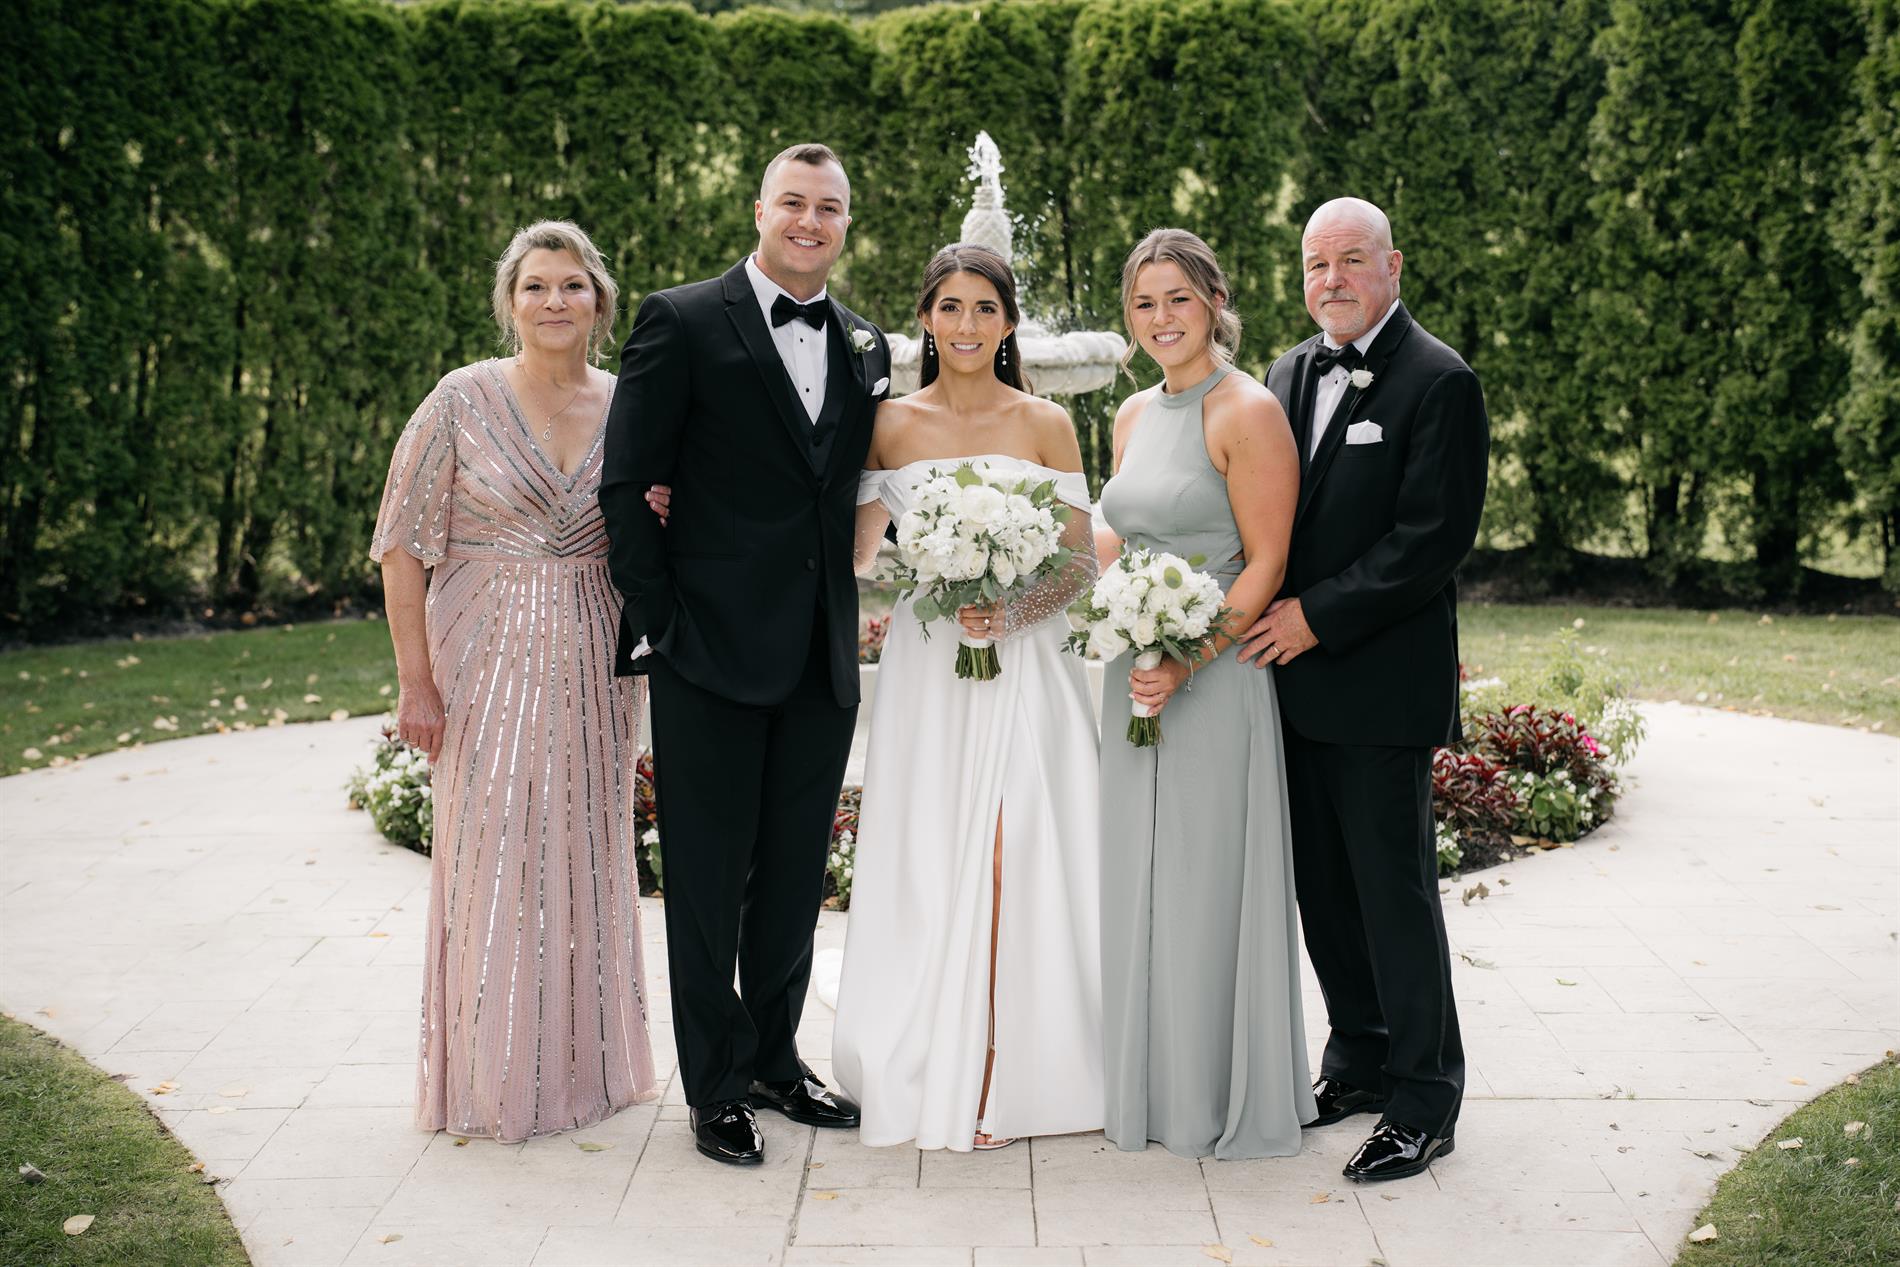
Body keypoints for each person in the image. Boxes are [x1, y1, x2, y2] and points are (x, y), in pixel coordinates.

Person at [599, 143, 891, 1167]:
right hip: (708, 650)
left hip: (819, 656)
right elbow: (626, 482)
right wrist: (664, 623)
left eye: (830, 207)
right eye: (793, 203)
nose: (811, 221)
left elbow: (853, 485)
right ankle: (715, 1086)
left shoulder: (866, 342)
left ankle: (775, 1059)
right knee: (707, 881)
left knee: (794, 877)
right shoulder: (680, 319)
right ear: (759, 210)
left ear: (846, 223)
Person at [371, 220, 658, 1143]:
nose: (554, 301)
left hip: (596, 656)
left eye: (572, 285)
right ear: (510, 303)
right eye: (535, 286)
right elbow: (401, 547)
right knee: (490, 857)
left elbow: (665, 520)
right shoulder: (460, 399)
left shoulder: (633, 405)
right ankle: (491, 1076)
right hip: (481, 658)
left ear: (599, 302)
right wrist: (416, 682)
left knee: (587, 848)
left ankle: (587, 1068)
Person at [831, 244, 1103, 1152]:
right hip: (930, 669)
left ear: (1010, 322)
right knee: (933, 849)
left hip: (1028, 663)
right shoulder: (889, 424)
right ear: (926, 317)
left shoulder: (1046, 422)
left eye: (985, 308)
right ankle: (936, 1052)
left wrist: (1011, 611)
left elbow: (1078, 562)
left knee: (1014, 851)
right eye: (949, 306)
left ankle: (1009, 1070)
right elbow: (856, 549)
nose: (967, 324)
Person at [1240, 197, 1489, 1182]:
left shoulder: (1439, 380)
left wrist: (1316, 614)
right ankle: (1359, 1058)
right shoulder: (1285, 373)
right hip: (1287, 687)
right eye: (1316, 263)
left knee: (1393, 895)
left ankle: (1426, 1098)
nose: (1331, 279)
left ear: (1393, 265)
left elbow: (1431, 539)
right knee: (1325, 892)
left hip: (1378, 686)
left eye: (1351, 259)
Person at [1095, 228, 1315, 1160]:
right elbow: (1115, 536)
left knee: (1202, 880)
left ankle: (1210, 1094)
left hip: (1215, 678)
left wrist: (1187, 658)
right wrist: (1117, 612)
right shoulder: (1131, 413)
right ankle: (1147, 1088)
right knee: (1137, 876)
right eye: (1144, 302)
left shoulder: (1248, 409)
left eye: (1178, 298)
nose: (1161, 318)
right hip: (1133, 671)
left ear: (1215, 302)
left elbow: (1265, 561)